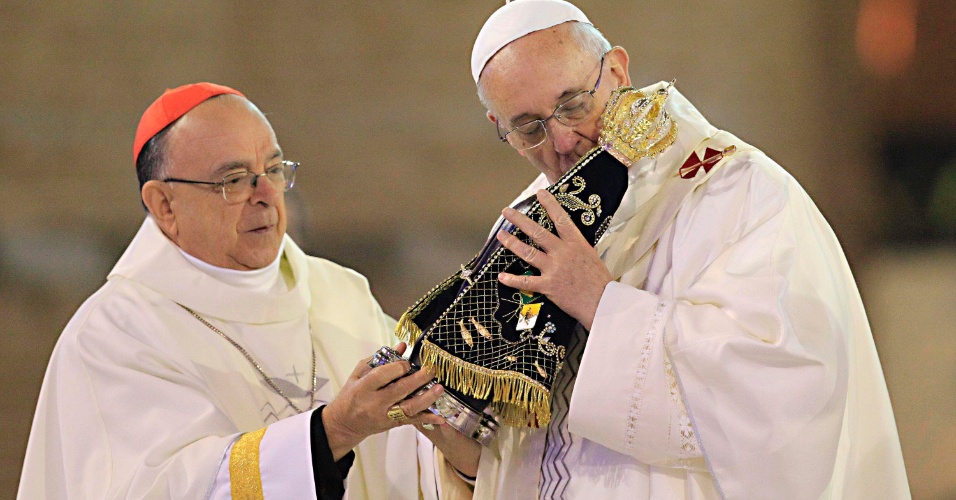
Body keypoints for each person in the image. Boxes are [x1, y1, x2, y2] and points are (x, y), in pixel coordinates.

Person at [431, 1, 911, 498]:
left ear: (616, 70)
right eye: (529, 128)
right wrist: (465, 458)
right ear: (499, 126)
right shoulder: (524, 225)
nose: (563, 140)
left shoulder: (740, 192)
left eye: (573, 103)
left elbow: (784, 394)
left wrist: (601, 303)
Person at [16, 82, 470, 499]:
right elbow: (161, 488)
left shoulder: (339, 293)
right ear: (164, 205)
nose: (267, 195)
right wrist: (331, 432)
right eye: (234, 180)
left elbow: (413, 458)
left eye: (273, 170)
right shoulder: (116, 333)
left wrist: (459, 446)